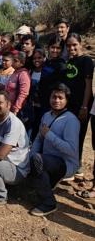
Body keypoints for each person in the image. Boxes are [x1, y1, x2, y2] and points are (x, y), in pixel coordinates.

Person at [29, 84, 79, 216]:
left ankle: (48, 203)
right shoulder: (46, 115)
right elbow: (39, 139)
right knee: (33, 159)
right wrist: (29, 158)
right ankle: (47, 181)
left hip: (65, 163)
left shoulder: (71, 120)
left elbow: (71, 150)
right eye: (54, 97)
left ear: (66, 100)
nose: (56, 100)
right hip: (48, 160)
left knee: (37, 160)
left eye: (60, 98)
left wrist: (50, 135)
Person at [62, 33, 94, 179]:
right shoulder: (70, 61)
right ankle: (70, 164)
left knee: (79, 135)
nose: (71, 48)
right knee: (69, 135)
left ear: (80, 44)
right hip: (69, 104)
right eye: (68, 45)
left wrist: (84, 107)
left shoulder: (86, 61)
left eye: (74, 44)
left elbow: (88, 86)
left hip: (81, 104)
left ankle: (77, 167)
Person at [38, 36, 66, 113]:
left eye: (58, 48)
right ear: (48, 47)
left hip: (51, 103)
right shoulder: (47, 62)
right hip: (41, 100)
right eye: (52, 47)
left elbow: (60, 86)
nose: (55, 50)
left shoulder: (61, 65)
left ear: (62, 50)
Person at [26, 49, 45, 140]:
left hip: (42, 107)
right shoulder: (30, 72)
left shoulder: (46, 72)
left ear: (44, 58)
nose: (36, 60)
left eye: (39, 58)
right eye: (34, 58)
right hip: (31, 107)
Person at [5, 51, 31, 116]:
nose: (13, 62)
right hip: (9, 107)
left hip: (17, 111)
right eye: (13, 60)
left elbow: (24, 93)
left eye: (15, 61)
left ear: (22, 63)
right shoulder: (15, 72)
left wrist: (16, 109)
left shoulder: (23, 74)